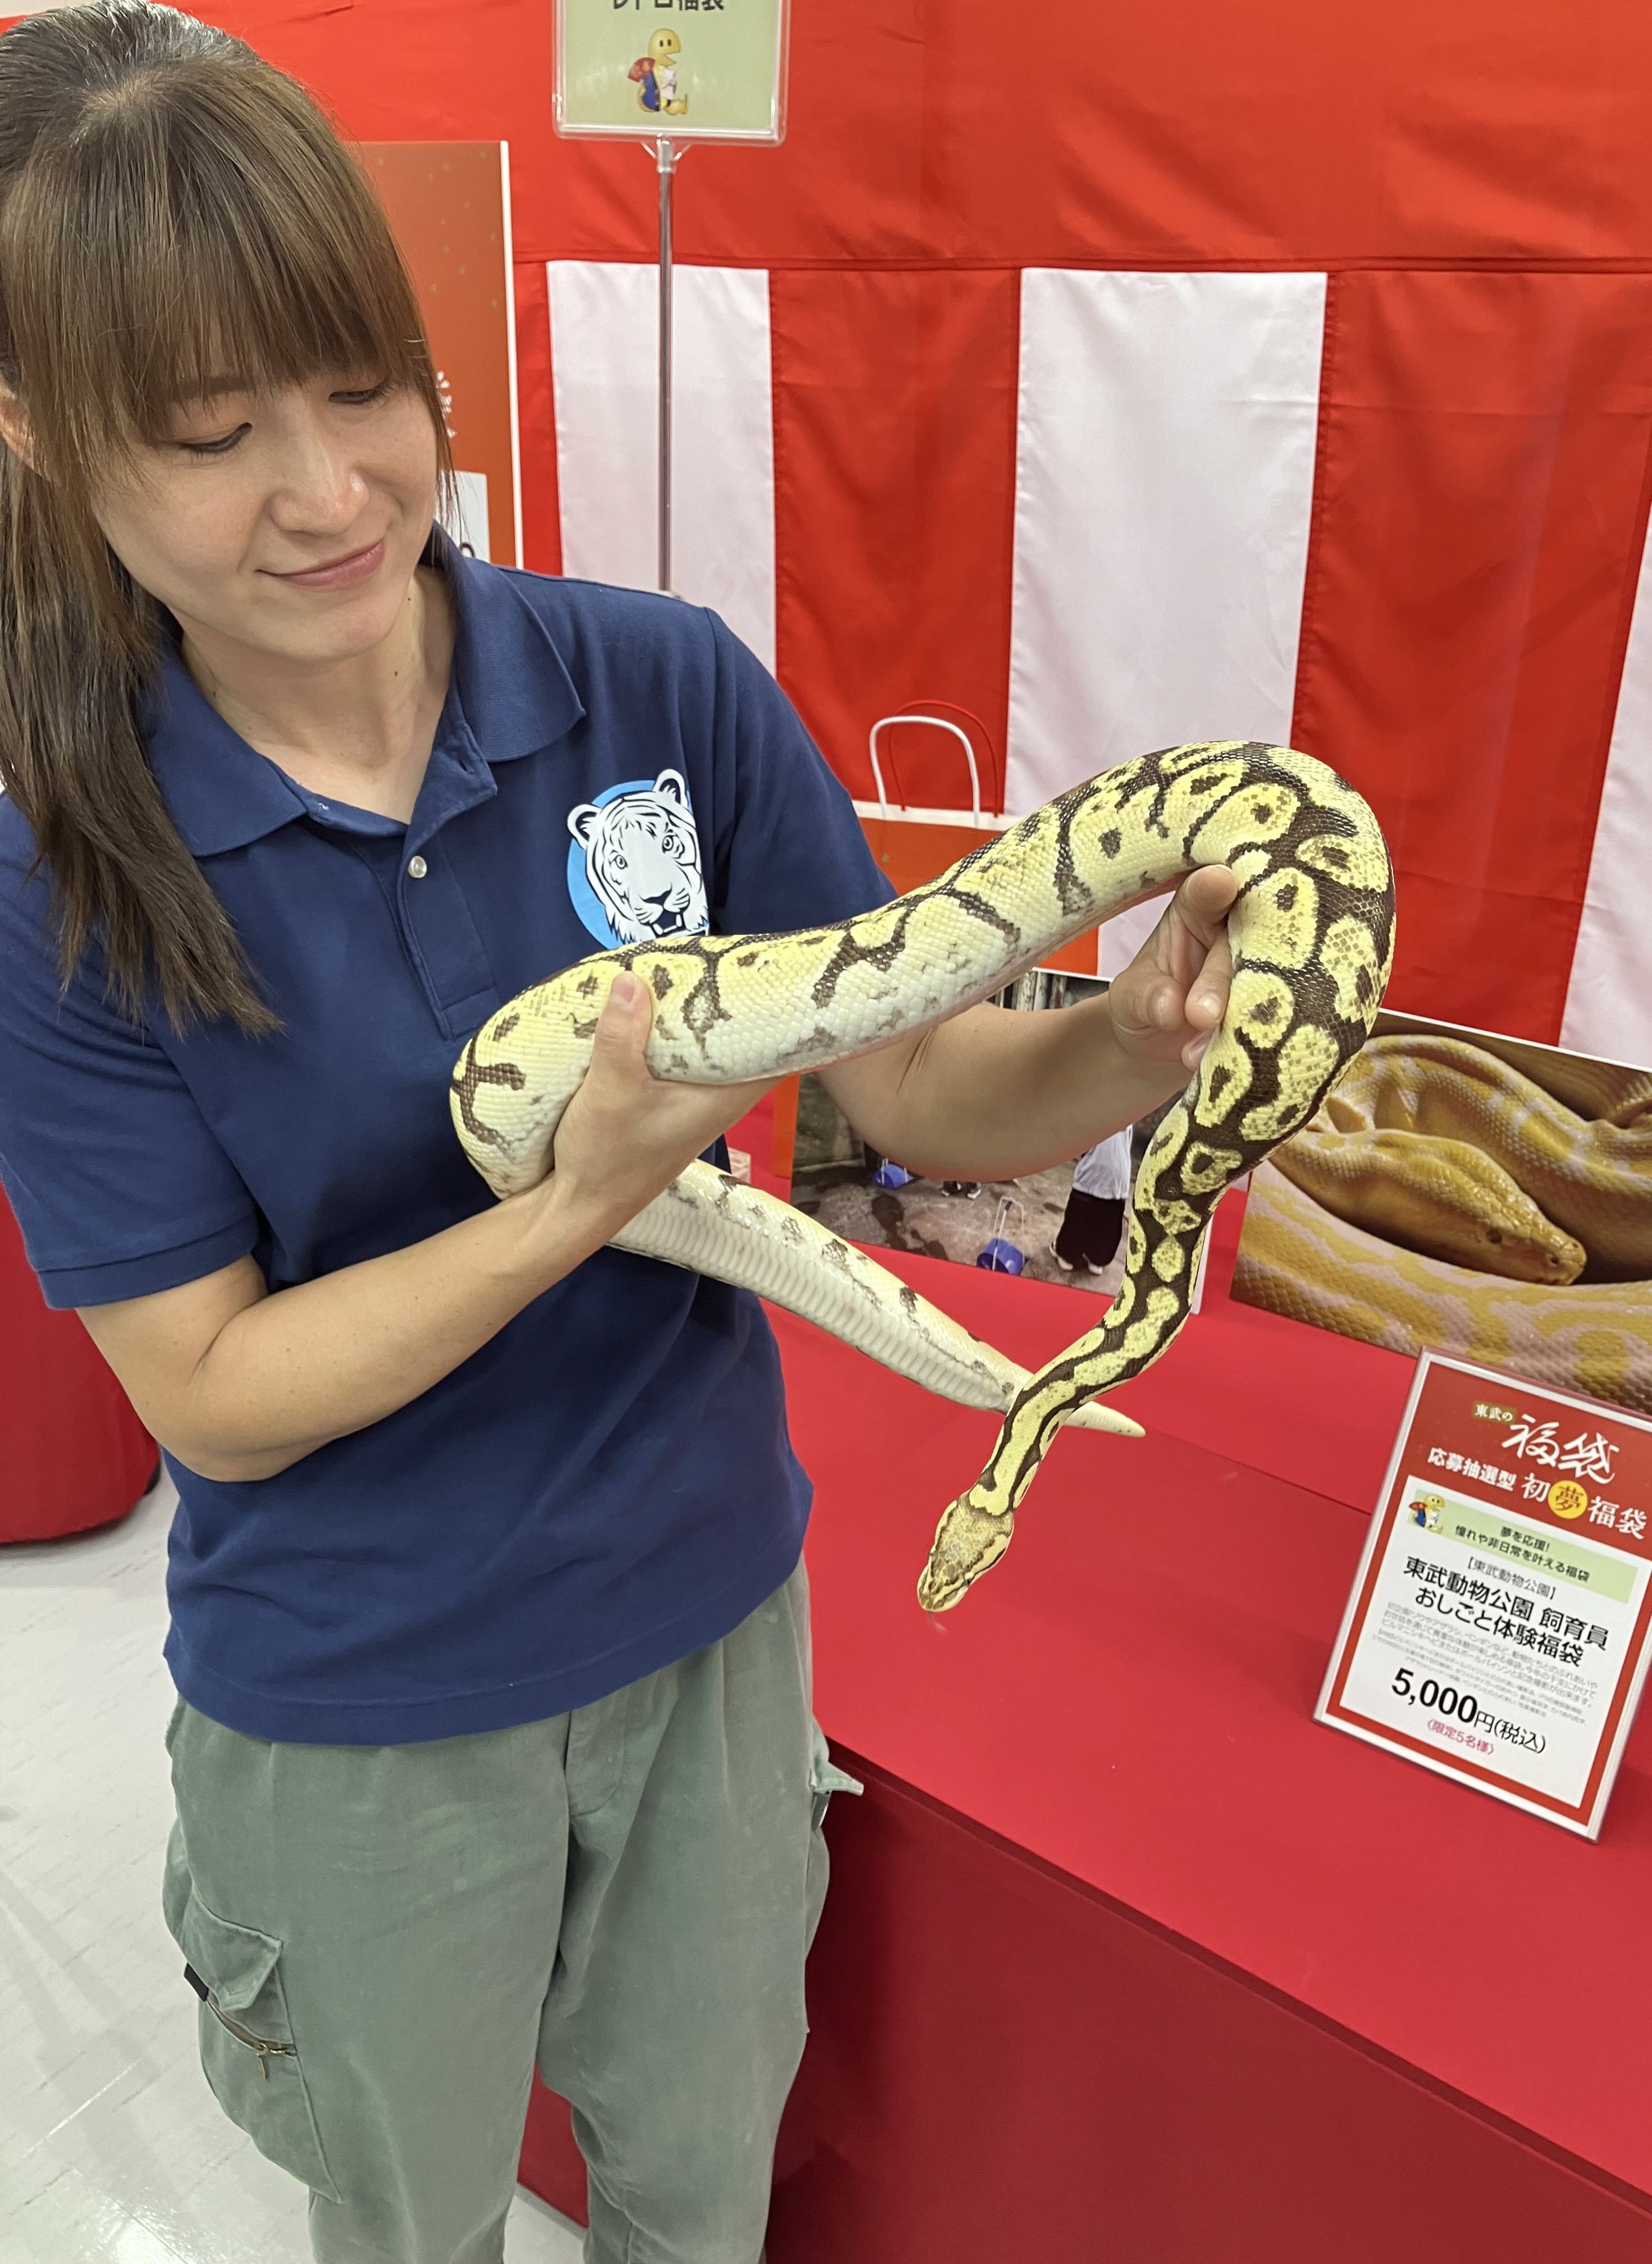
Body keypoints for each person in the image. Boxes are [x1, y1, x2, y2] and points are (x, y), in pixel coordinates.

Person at [0, 8, 1239, 2260]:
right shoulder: (61, 868)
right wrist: (583, 1202)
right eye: (209, 435)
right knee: (412, 2219)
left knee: (700, 2180)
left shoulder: (654, 686)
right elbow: (216, 1396)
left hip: (706, 1620)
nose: (329, 490)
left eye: (368, 387)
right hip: (362, 1705)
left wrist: (1135, 1043)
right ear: (34, 437)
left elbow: (914, 1081)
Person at [1051, 1125, 1133, 1275]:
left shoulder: (1096, 1109)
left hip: (1092, 1176)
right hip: (1119, 1179)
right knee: (1107, 1225)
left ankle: (1067, 1256)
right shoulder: (1128, 1110)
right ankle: (1097, 1260)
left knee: (1079, 1219)